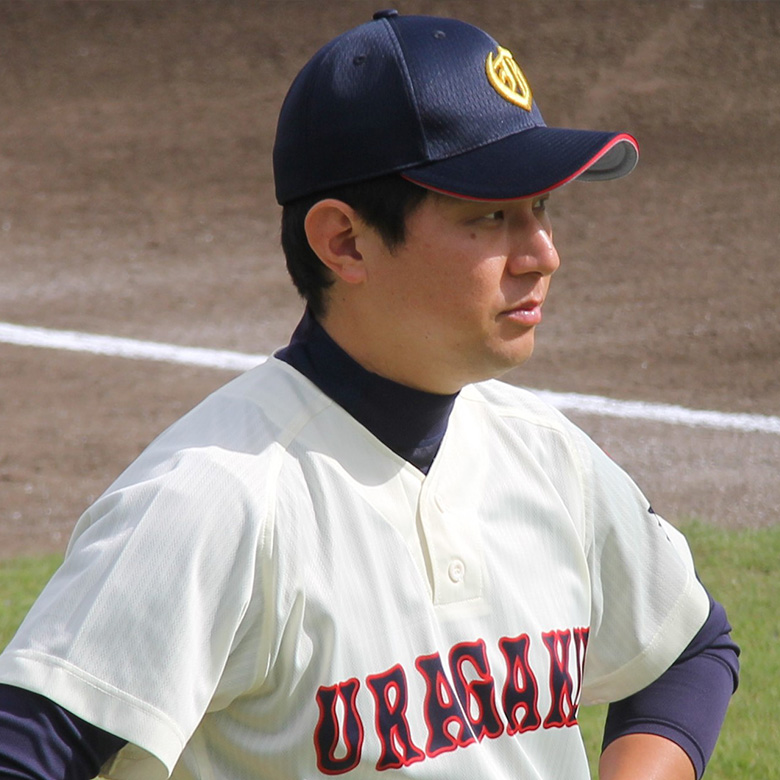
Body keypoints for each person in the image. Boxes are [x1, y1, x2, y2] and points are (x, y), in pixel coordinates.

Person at [0, 10, 738, 780]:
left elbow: (687, 650)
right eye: (491, 215)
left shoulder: (548, 457)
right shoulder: (214, 501)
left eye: (542, 209)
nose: (542, 253)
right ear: (345, 242)